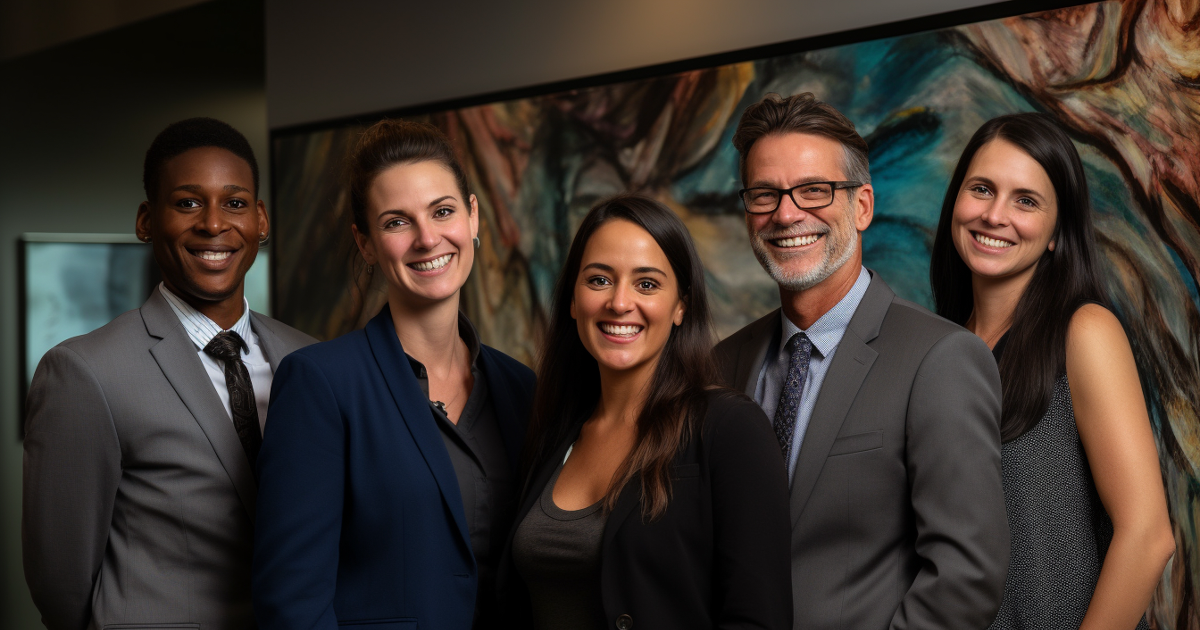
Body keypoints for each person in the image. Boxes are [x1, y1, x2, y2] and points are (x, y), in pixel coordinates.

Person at [713, 92, 1010, 630]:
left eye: (814, 191)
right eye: (765, 194)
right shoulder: (723, 364)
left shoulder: (940, 359)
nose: (786, 213)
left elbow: (966, 577)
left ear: (863, 206)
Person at [23, 117, 316, 630]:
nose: (213, 224)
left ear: (262, 220)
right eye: (187, 202)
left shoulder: (308, 359)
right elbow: (60, 586)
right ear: (146, 221)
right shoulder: (85, 372)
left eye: (235, 202)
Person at [252, 119, 535, 630]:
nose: (428, 239)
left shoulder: (523, 390)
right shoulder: (320, 385)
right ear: (365, 243)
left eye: (443, 212)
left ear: (472, 217)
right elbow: (292, 605)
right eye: (396, 222)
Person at [498, 194, 792, 630]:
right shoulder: (553, 430)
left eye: (647, 284)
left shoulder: (729, 428)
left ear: (680, 306)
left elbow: (759, 619)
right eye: (599, 280)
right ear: (573, 301)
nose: (619, 303)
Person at [929, 112, 1175, 630]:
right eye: (981, 189)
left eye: (1026, 200)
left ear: (1056, 234)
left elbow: (1148, 535)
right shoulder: (939, 347)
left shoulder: (1084, 332)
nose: (995, 215)